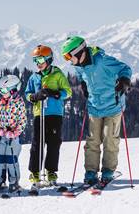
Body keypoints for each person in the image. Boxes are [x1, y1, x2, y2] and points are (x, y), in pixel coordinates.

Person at [61, 36, 132, 184]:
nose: (68, 60)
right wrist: (83, 84)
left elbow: (125, 68)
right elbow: (81, 74)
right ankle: (91, 172)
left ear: (79, 52)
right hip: (94, 107)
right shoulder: (78, 65)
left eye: (69, 55)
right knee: (92, 140)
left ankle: (108, 171)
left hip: (112, 105)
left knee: (110, 139)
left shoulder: (102, 60)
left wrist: (124, 80)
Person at [25, 45, 72, 191]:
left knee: (53, 143)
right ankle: (35, 172)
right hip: (40, 114)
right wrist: (34, 96)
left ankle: (51, 172)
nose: (38, 63)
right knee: (37, 143)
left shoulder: (57, 74)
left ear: (48, 59)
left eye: (40, 59)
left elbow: (68, 92)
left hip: (54, 114)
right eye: (35, 60)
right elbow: (28, 94)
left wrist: (55, 93)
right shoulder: (34, 77)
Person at [0, 75, 27, 194]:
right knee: (0, 160)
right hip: (2, 137)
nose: (1, 93)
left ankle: (14, 182)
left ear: (13, 90)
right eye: (0, 90)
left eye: (4, 90)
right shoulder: (0, 102)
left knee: (11, 160)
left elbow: (22, 120)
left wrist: (15, 132)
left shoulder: (19, 103)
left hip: (13, 138)